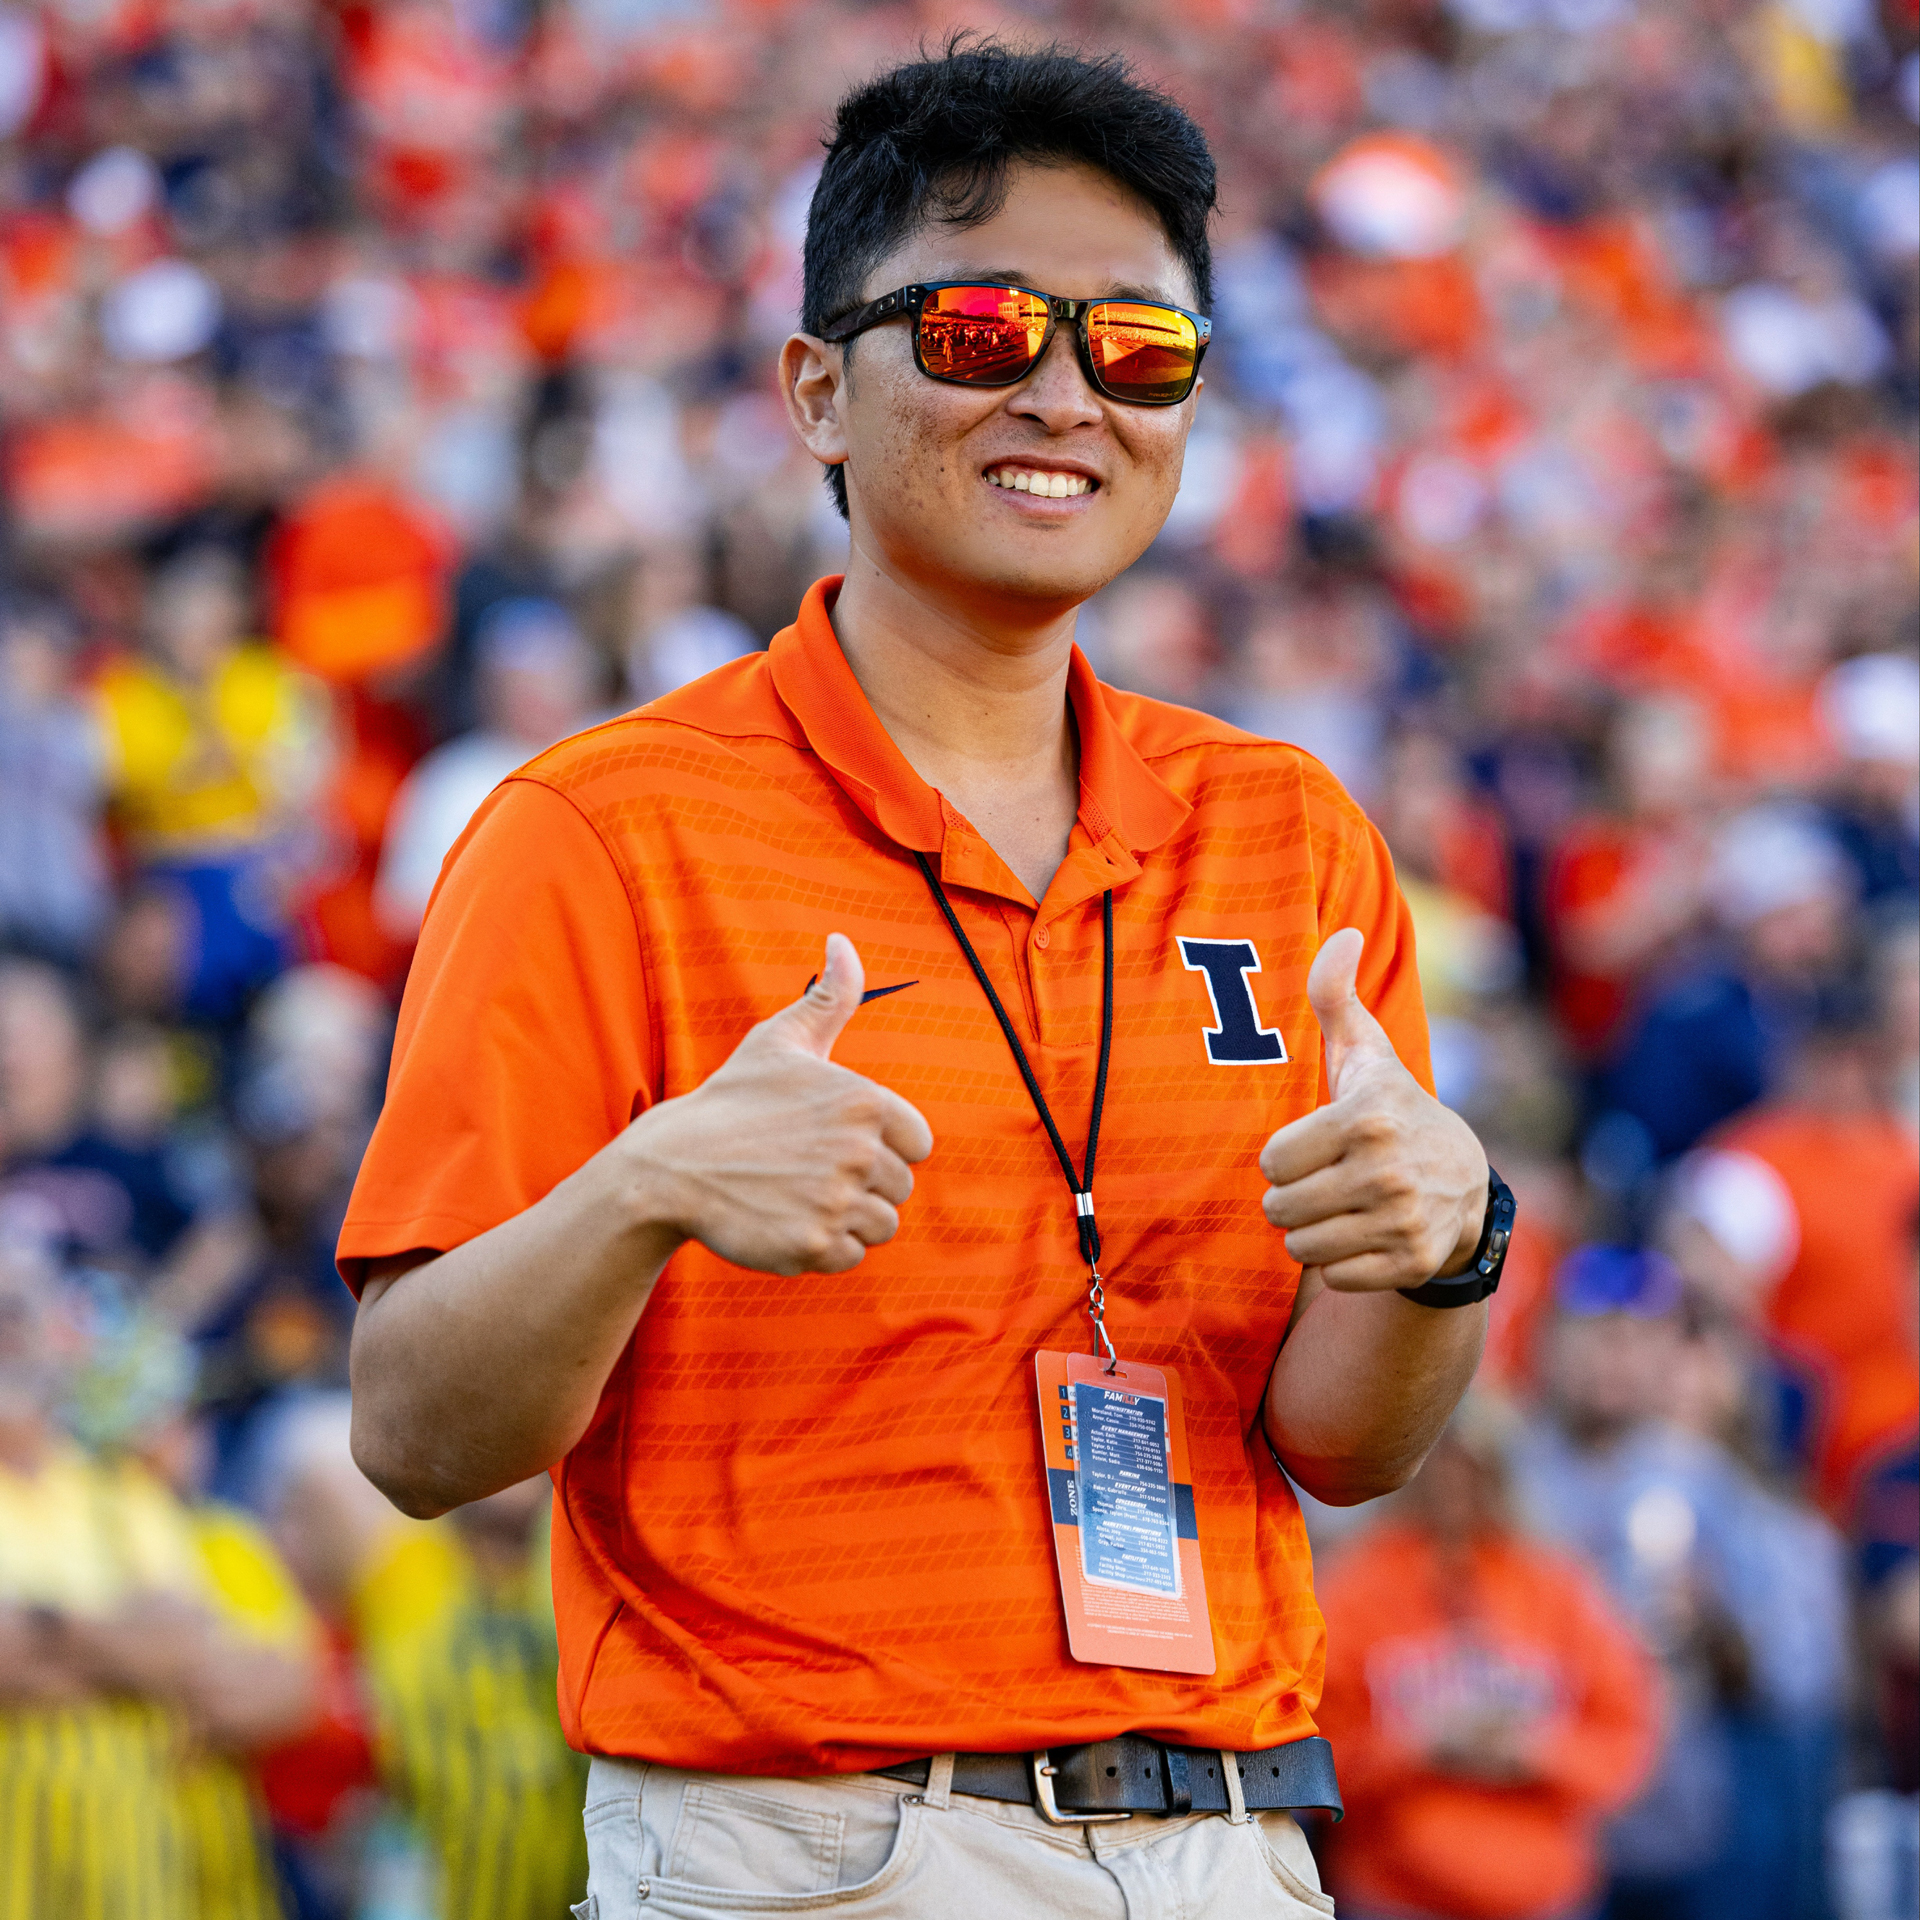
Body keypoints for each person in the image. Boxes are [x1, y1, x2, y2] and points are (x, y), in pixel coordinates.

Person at [342, 44, 1508, 1920]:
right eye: (977, 328)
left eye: (1138, 347)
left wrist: (1448, 1240)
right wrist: (645, 1188)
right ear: (817, 389)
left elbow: (1343, 1441)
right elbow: (408, 1431)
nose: (1064, 390)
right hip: (819, 1850)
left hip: (1238, 1841)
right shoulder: (598, 826)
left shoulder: (1290, 834)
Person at [1314, 1401, 1658, 1920]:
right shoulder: (1359, 1583)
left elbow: (1626, 1738)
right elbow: (1309, 1752)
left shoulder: (1555, 1586)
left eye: (1471, 1467)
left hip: (1541, 1895)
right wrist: (1417, 1746)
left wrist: (1534, 1751)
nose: (1454, 1486)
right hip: (1395, 1893)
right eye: (1438, 1464)